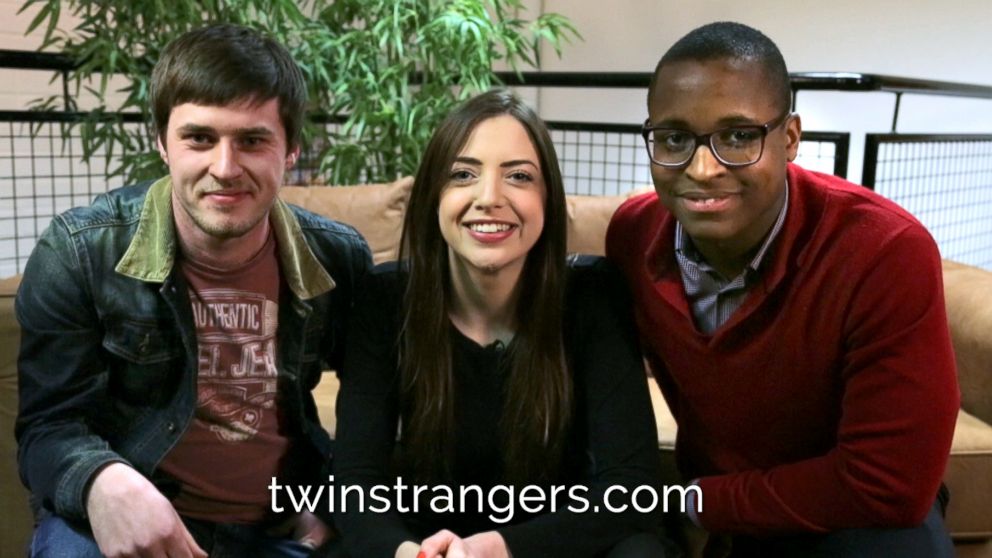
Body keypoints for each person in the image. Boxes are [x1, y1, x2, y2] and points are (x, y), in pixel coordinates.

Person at [15, 24, 371, 557]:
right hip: (128, 510)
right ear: (161, 142)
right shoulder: (82, 251)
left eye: (252, 140)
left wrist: (341, 504)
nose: (224, 169)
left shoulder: (338, 259)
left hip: (281, 523)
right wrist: (101, 482)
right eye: (200, 138)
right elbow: (47, 426)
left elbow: (380, 410)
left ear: (291, 149)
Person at [606, 21, 960, 557]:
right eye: (675, 138)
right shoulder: (633, 235)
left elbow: (888, 485)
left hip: (857, 521)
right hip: (732, 512)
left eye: (738, 137)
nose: (703, 169)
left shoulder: (884, 250)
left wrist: (695, 501)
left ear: (790, 138)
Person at [332, 90, 671, 558]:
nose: (489, 198)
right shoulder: (387, 298)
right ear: (434, 196)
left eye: (518, 176)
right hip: (429, 545)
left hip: (552, 547)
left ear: (548, 199)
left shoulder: (592, 295)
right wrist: (410, 553)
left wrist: (498, 547)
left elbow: (633, 491)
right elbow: (354, 485)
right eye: (463, 175)